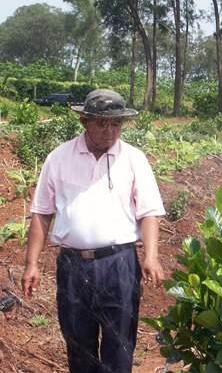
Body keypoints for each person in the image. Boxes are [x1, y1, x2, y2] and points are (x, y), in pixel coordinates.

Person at [21, 89, 166, 373]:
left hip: (120, 265)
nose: (109, 131)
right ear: (84, 122)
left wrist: (151, 256)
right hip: (73, 267)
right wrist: (31, 264)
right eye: (101, 123)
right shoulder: (59, 158)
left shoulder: (134, 159)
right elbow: (41, 212)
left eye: (116, 124)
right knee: (78, 345)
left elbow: (148, 212)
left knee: (120, 345)